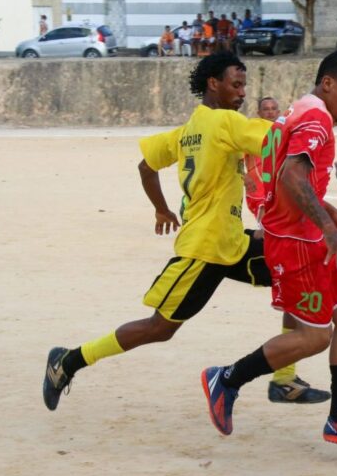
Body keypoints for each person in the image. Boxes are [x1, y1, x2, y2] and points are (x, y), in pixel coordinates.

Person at [42, 52, 285, 412]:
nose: (242, 93)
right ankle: (68, 361)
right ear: (212, 84)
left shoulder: (187, 132)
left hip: (230, 243)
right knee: (159, 328)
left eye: (244, 86)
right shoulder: (224, 122)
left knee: (294, 271)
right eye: (236, 84)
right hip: (204, 248)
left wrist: (161, 208)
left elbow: (145, 166)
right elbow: (278, 139)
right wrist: (315, 118)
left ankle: (285, 378)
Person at [200, 51, 337, 449]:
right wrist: (327, 227)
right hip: (296, 243)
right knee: (315, 336)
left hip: (310, 235)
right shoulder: (316, 117)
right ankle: (227, 378)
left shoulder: (300, 109)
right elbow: (291, 175)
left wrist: (330, 214)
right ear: (328, 83)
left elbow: (292, 177)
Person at [243, 96, 332, 403]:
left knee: (297, 306)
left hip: (279, 221)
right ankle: (229, 378)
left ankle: (282, 379)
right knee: (160, 326)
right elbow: (271, 179)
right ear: (257, 113)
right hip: (275, 223)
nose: (269, 113)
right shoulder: (258, 132)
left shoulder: (275, 132)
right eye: (264, 110)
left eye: (273, 110)